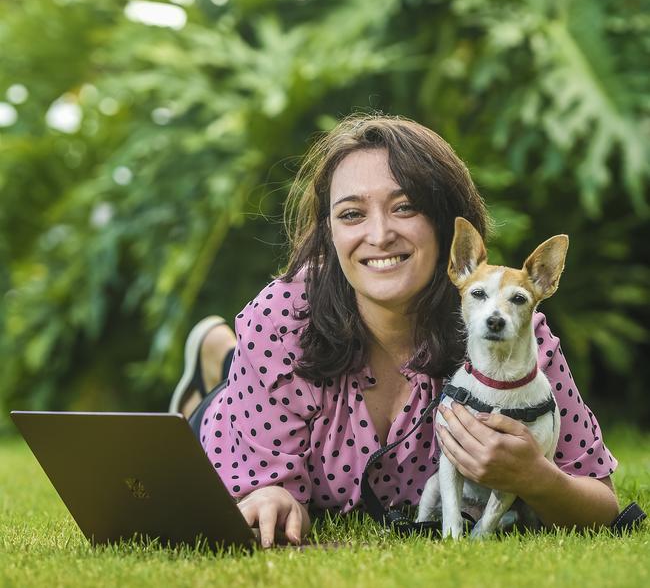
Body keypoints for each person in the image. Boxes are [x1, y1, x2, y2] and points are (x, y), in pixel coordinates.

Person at [169, 113, 619, 548]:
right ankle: (220, 360)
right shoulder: (283, 317)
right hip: (228, 422)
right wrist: (273, 496)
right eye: (351, 214)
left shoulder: (513, 334)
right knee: (230, 388)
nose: (380, 235)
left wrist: (536, 478)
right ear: (330, 233)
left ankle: (221, 355)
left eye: (405, 207)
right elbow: (273, 491)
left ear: (447, 226)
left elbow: (601, 502)